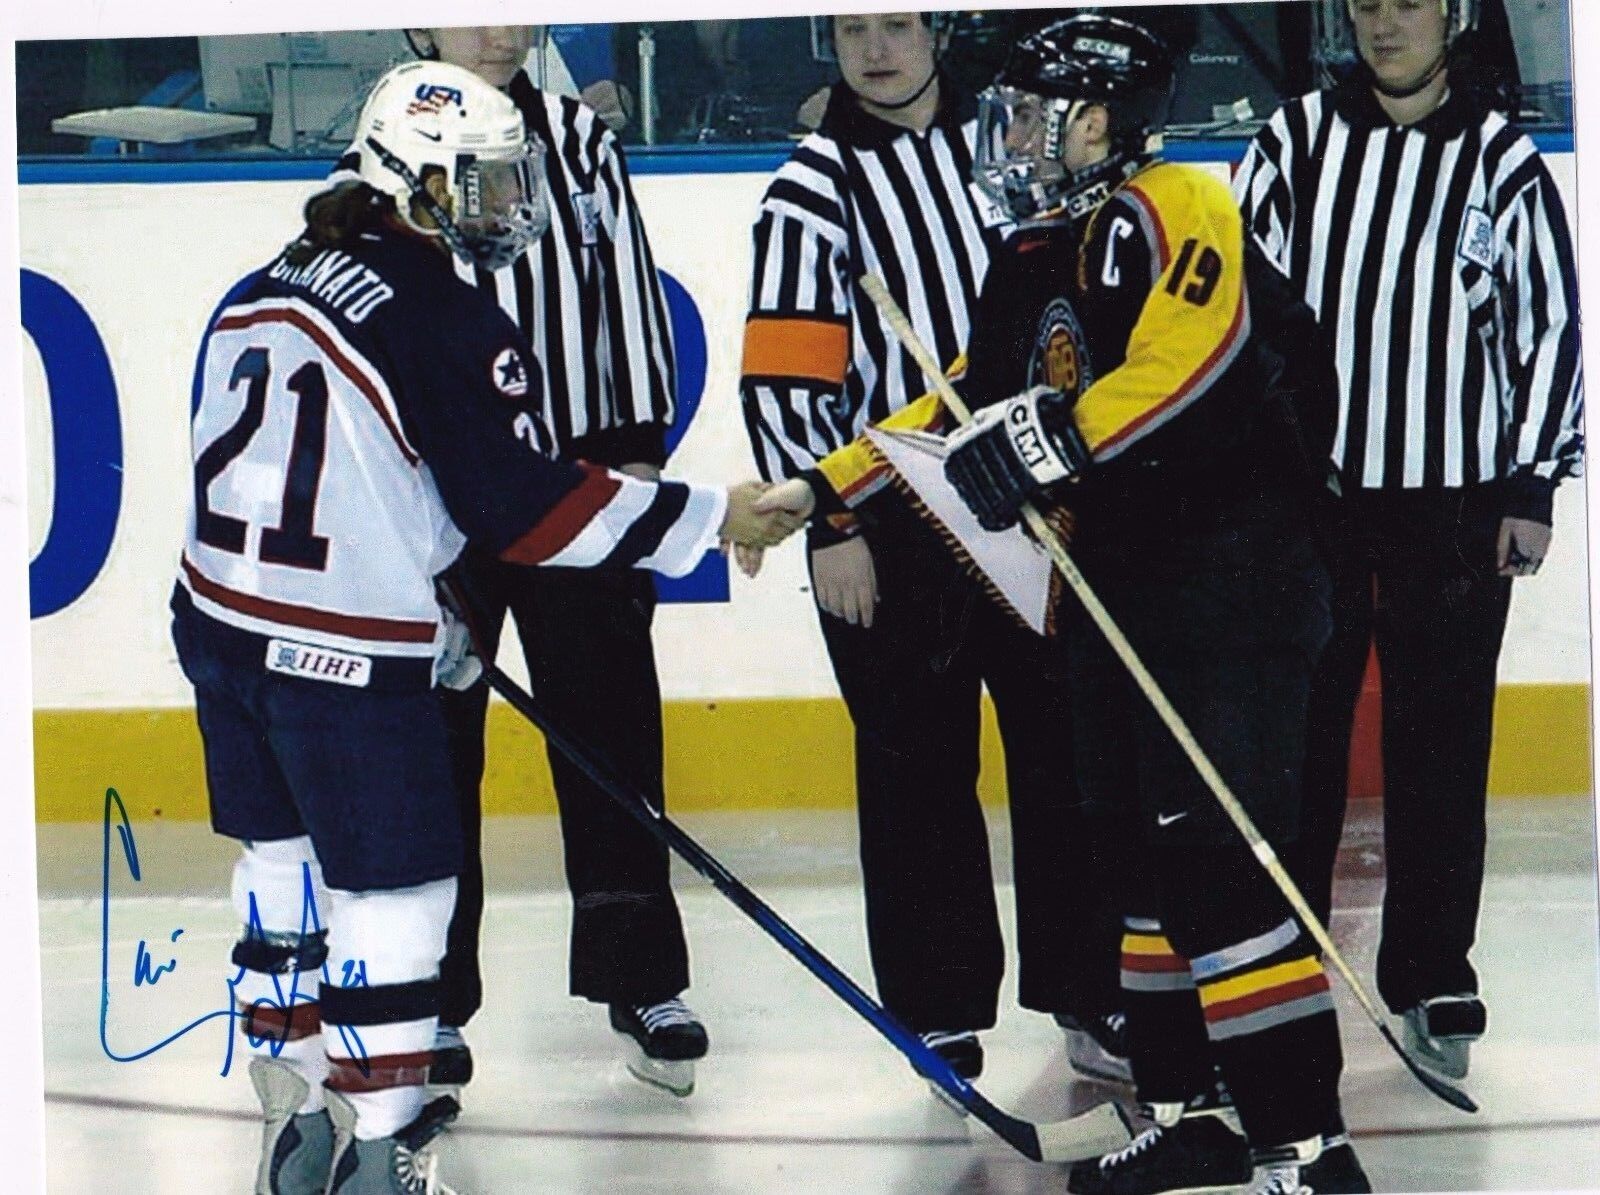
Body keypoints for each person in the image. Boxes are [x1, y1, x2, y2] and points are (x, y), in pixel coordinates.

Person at [758, 14, 1373, 1193]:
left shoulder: (1175, 203)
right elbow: (960, 404)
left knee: (1218, 873)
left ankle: (1302, 1139)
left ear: (1098, 119)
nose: (1010, 135)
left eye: (1034, 112)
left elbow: (1184, 360)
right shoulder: (1036, 246)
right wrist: (816, 486)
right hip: (1117, 593)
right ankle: (1193, 1110)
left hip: (1230, 590)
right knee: (1133, 872)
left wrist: (1050, 436)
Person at [181, 60, 798, 1195]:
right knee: (396, 903)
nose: (507, 209)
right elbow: (531, 512)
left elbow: (299, 475)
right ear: (416, 180)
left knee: (283, 874)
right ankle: (379, 1154)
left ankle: (296, 1117)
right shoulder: (441, 312)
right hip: (341, 667)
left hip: (219, 633)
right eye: (485, 185)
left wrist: (421, 597)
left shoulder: (263, 281)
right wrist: (712, 515)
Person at [739, 10, 1129, 1084]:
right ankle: (939, 1011)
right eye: (852, 28)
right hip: (893, 521)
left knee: (1067, 759)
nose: (877, 47)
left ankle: (1092, 994)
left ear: (937, 26)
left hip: (1034, 502)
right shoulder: (811, 190)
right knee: (915, 774)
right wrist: (831, 523)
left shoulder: (1014, 142)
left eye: (897, 23)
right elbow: (783, 377)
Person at [353, 25, 709, 1100]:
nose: (501, 25)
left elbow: (630, 296)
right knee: (430, 753)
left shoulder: (581, 139)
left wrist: (639, 454)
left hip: (571, 475)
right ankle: (428, 995)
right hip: (436, 500)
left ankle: (639, 975)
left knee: (610, 729)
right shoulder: (383, 148)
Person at [1234, 0, 1583, 1080]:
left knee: (1443, 737)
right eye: (1367, 5)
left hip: (1458, 504)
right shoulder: (1293, 140)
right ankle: (1278, 958)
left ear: (1452, 17)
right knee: (1295, 737)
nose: (1386, 26)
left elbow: (1551, 324)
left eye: (1409, 4)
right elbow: (1243, 311)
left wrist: (1531, 482)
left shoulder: (1501, 159)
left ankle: (1433, 966)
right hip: (1316, 499)